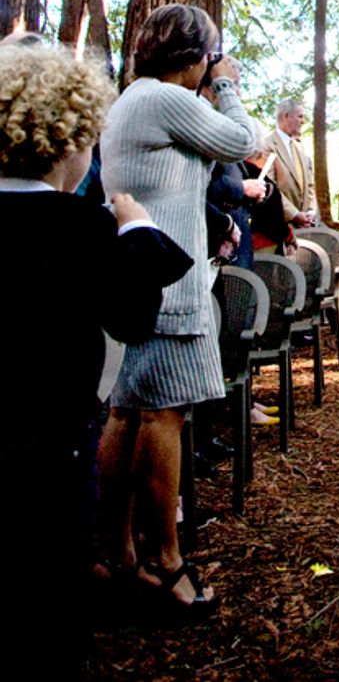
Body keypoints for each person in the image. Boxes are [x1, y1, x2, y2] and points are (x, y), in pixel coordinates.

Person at [0, 43, 192, 677]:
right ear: (69, 141)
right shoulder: (78, 225)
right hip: (51, 447)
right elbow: (132, 319)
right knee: (48, 587)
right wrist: (135, 227)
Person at [97, 4, 259, 615]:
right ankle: (165, 562)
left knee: (126, 413)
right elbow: (241, 142)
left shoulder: (133, 99)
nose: (212, 63)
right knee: (162, 415)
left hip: (143, 274)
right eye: (209, 53)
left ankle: (117, 555)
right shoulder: (166, 98)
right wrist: (228, 85)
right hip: (167, 282)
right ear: (191, 56)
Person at [262, 97, 317, 228]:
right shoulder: (267, 145)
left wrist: (310, 211)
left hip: (306, 226)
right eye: (300, 116)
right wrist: (294, 215)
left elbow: (310, 184)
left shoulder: (300, 147)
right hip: (281, 226)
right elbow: (269, 186)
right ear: (286, 116)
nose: (303, 121)